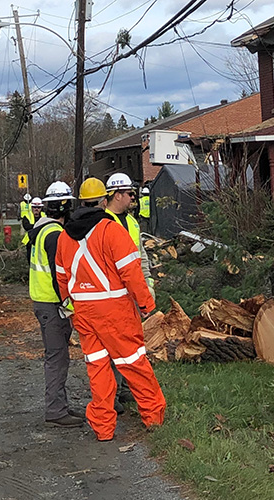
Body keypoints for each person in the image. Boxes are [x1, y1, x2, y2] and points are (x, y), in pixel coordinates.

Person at [55, 177, 166, 442]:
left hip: (83, 312)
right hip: (115, 310)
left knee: (98, 368)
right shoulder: (112, 230)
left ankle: (103, 428)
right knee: (133, 363)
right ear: (104, 201)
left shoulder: (65, 236)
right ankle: (153, 417)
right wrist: (146, 304)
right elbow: (132, 273)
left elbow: (61, 277)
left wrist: (72, 303)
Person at [28, 181, 84, 428]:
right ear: (64, 206)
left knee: (57, 355)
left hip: (43, 301)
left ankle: (59, 404)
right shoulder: (54, 234)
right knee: (58, 357)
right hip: (52, 304)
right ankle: (55, 409)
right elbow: (58, 273)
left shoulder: (41, 229)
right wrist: (68, 304)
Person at [103, 173, 156, 411]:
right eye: (130, 194)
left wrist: (148, 286)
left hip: (131, 292)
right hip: (113, 295)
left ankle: (124, 388)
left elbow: (140, 256)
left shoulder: (132, 222)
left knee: (131, 344)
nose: (133, 198)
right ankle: (111, 393)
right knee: (112, 346)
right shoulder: (104, 222)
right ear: (117, 195)